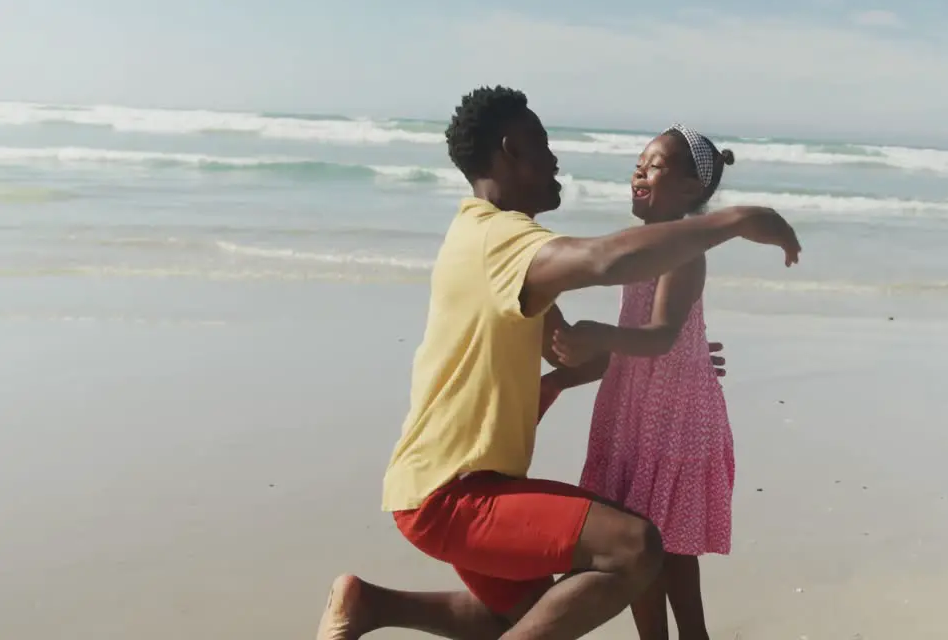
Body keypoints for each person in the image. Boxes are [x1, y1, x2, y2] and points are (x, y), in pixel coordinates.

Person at [315, 86, 800, 640]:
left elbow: (571, 347)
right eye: (542, 145)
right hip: (454, 494)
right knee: (635, 546)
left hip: (449, 484)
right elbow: (603, 259)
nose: (556, 159)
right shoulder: (504, 241)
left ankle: (370, 605)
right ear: (510, 151)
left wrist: (671, 356)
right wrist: (736, 220)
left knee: (530, 613)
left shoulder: (481, 235)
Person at [547, 125, 739, 640]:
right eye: (639, 161)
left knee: (672, 552)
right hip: (635, 411)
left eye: (653, 165)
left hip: (674, 419)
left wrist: (596, 336)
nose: (638, 170)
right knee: (639, 546)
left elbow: (658, 336)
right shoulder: (639, 246)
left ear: (689, 190)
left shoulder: (683, 251)